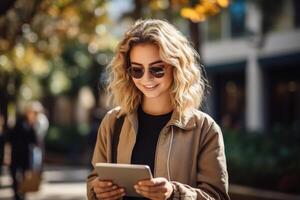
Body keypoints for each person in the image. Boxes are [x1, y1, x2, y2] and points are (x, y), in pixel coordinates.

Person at [87, 19, 230, 200]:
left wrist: (174, 193)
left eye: (157, 69)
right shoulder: (113, 122)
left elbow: (217, 196)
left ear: (176, 67)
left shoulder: (204, 129)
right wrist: (97, 190)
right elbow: (94, 181)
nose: (146, 79)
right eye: (137, 70)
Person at [8, 102, 38, 200]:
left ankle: (23, 192)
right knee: (14, 174)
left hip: (25, 154)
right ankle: (16, 193)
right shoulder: (18, 122)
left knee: (25, 175)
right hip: (16, 153)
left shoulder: (32, 125)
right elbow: (11, 137)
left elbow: (34, 140)